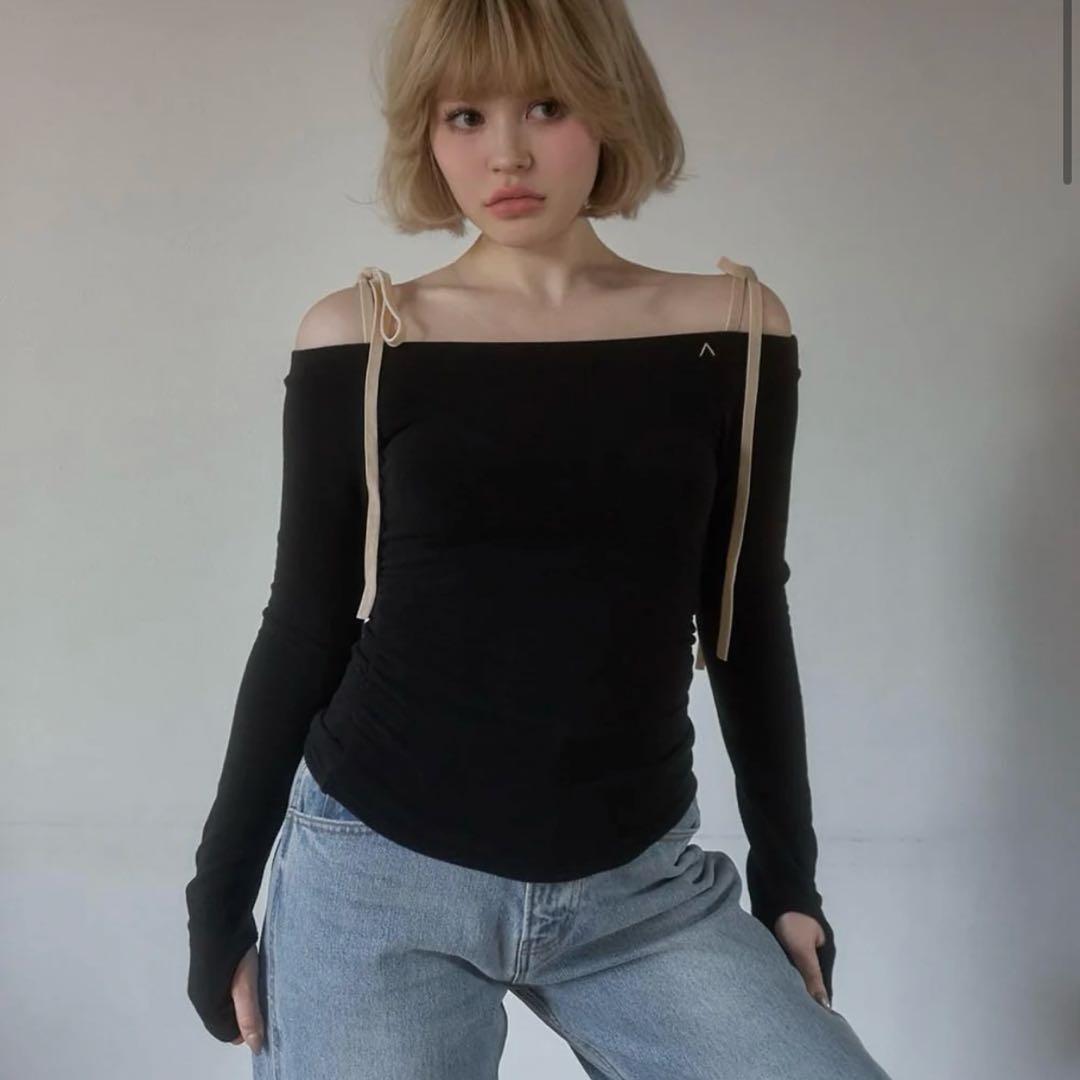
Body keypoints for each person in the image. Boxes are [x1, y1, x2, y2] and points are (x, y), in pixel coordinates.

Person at [184, 1, 893, 1077]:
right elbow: (306, 624)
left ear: (610, 108)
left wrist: (789, 881)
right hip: (380, 871)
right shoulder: (366, 339)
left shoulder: (735, 332)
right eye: (465, 116)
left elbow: (744, 612)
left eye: (548, 107)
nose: (506, 154)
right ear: (428, 134)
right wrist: (219, 900)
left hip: (637, 885)